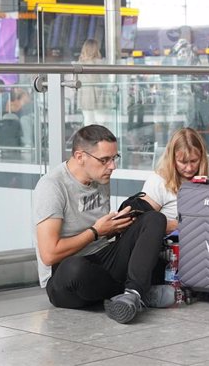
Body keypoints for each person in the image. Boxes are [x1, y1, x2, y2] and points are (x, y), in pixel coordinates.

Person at [33, 125, 171, 324]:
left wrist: (116, 226)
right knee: (75, 269)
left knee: (155, 219)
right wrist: (96, 232)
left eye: (114, 158)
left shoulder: (100, 178)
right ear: (80, 157)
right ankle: (139, 292)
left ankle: (132, 293)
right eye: (105, 160)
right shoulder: (52, 187)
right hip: (66, 276)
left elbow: (102, 233)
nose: (112, 166)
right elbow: (49, 255)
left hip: (102, 258)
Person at [141, 128, 209, 234]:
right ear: (172, 158)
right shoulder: (158, 181)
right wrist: (176, 225)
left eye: (194, 161)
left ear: (202, 156)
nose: (189, 168)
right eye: (183, 162)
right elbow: (142, 225)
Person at [77, 39, 110, 126]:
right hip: (99, 95)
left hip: (85, 96)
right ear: (96, 49)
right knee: (101, 120)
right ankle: (100, 139)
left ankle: (90, 139)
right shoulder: (101, 63)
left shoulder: (79, 64)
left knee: (88, 121)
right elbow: (105, 80)